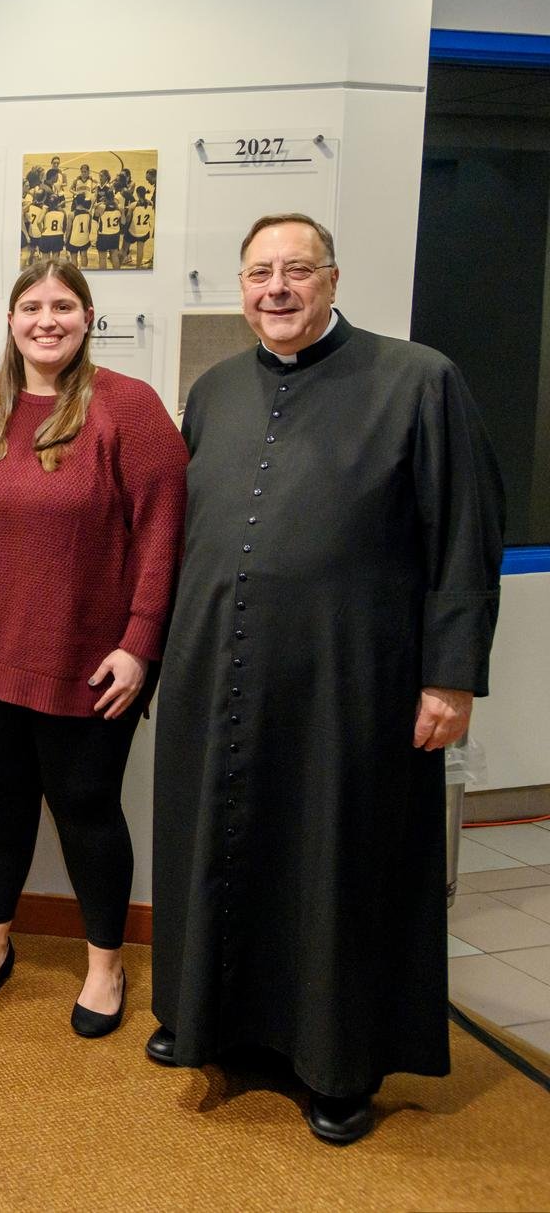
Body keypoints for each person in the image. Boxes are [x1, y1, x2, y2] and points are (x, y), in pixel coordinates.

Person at [149, 214, 504, 1145]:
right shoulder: (215, 389)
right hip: (219, 671)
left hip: (352, 681)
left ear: (333, 277)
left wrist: (451, 677)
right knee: (224, 844)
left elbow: (464, 536)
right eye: (260, 272)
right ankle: (216, 1023)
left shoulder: (419, 379)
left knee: (333, 862)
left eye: (296, 270)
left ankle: (339, 1063)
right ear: (240, 286)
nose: (277, 288)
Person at [0, 260, 186, 1037]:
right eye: (31, 306)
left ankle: (105, 964)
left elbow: (166, 536)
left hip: (92, 663)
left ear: (88, 316)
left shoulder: (128, 410)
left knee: (86, 808)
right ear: (10, 321)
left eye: (62, 305)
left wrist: (141, 644)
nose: (47, 319)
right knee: (1, 799)